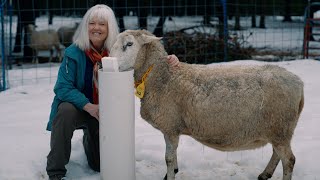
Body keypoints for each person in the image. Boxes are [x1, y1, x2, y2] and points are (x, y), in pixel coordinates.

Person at [46, 4, 179, 180]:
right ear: (86, 26)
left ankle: (90, 138)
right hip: (80, 108)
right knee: (65, 111)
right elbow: (62, 87)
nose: (96, 28)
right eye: (92, 23)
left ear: (110, 28)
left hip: (105, 114)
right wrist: (89, 107)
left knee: (99, 165)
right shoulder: (73, 52)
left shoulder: (120, 52)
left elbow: (143, 72)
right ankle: (55, 172)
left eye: (102, 24)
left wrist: (167, 60)